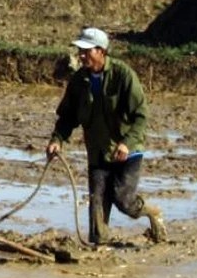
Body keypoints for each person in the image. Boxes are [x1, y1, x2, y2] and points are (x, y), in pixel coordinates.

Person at [46, 27, 166, 245]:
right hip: (98, 150)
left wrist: (126, 144)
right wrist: (57, 140)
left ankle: (152, 211)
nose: (81, 56)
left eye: (86, 51)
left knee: (123, 199)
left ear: (101, 51)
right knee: (97, 202)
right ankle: (100, 247)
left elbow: (140, 116)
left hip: (127, 150)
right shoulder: (79, 81)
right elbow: (67, 117)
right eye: (79, 51)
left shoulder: (123, 75)